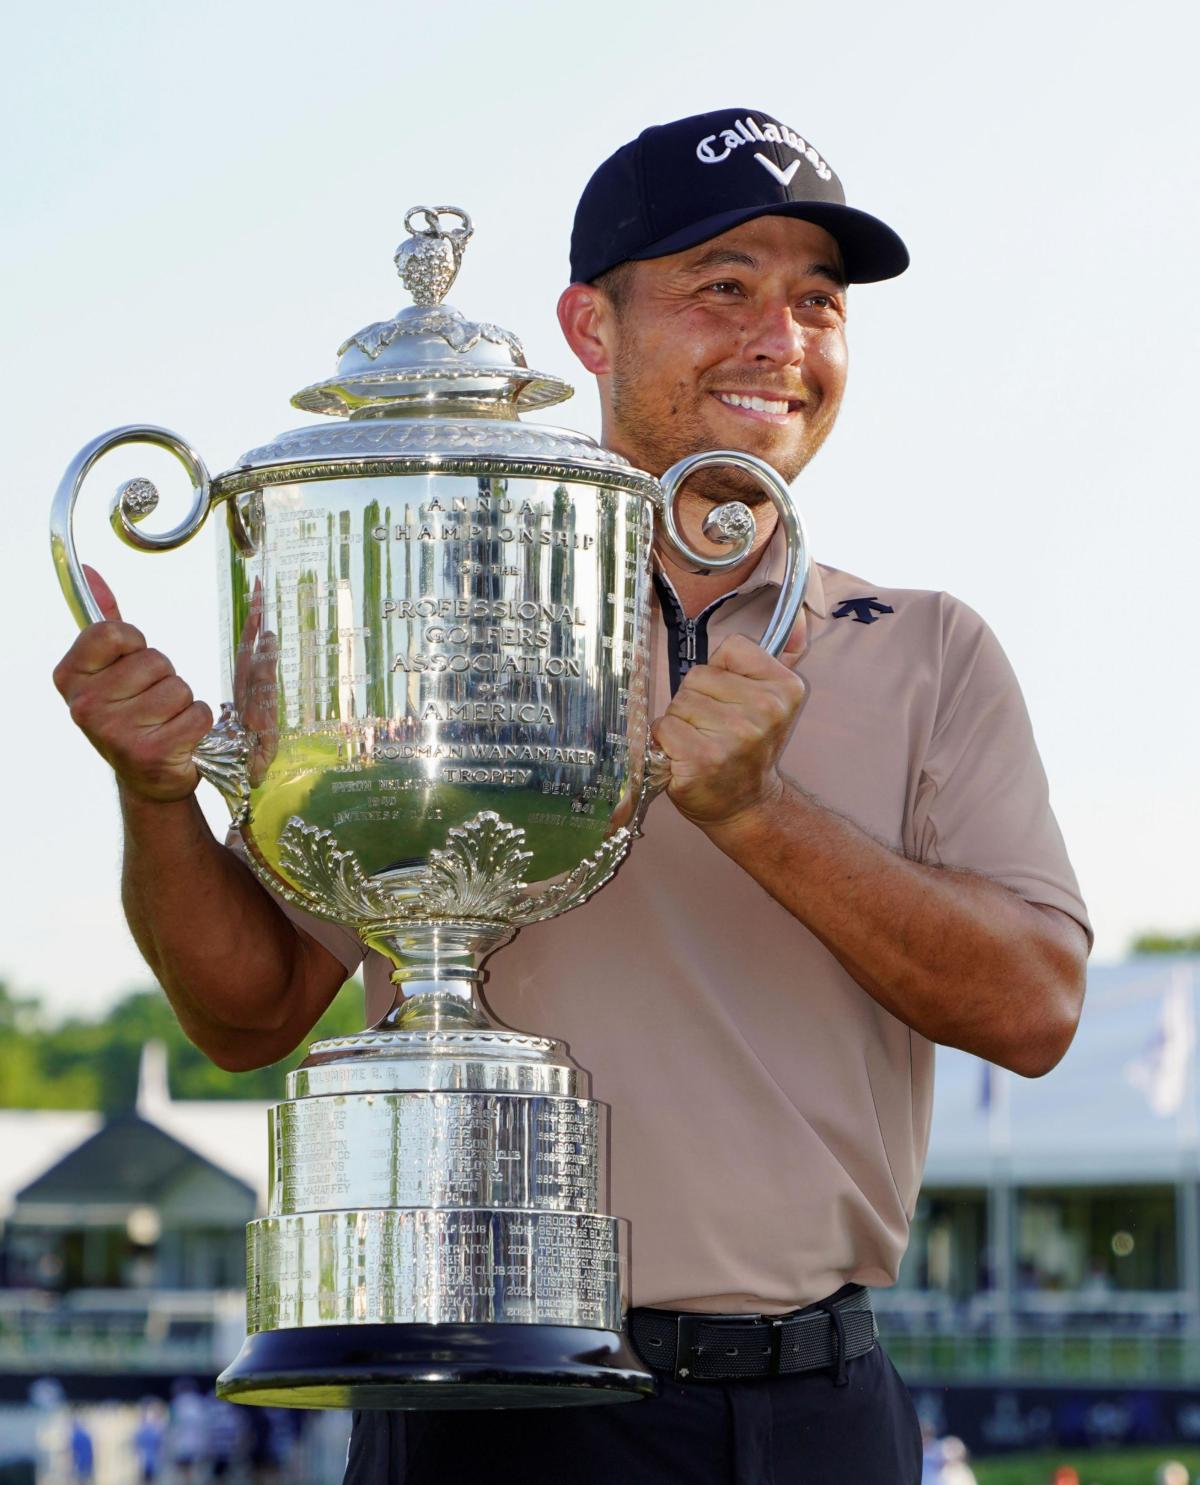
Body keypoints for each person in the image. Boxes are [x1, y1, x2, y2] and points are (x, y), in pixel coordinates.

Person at [52, 107, 1090, 1484]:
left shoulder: (927, 645)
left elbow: (1034, 1010)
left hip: (819, 1405)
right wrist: (155, 796)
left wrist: (758, 816)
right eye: (723, 286)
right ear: (590, 328)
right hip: (487, 1397)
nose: (779, 337)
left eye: (818, 301)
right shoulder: (424, 618)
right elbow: (247, 1014)